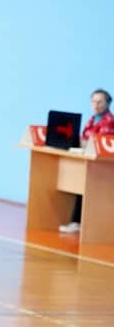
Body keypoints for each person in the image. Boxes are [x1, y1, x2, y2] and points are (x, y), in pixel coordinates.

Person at [61, 88, 114, 234]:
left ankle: (78, 222)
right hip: (87, 161)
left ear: (108, 103)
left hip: (101, 167)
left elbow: (97, 143)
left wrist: (84, 143)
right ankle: (77, 222)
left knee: (83, 186)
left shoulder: (109, 121)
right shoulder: (92, 119)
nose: (96, 105)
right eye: (93, 102)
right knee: (78, 184)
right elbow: (83, 139)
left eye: (100, 102)